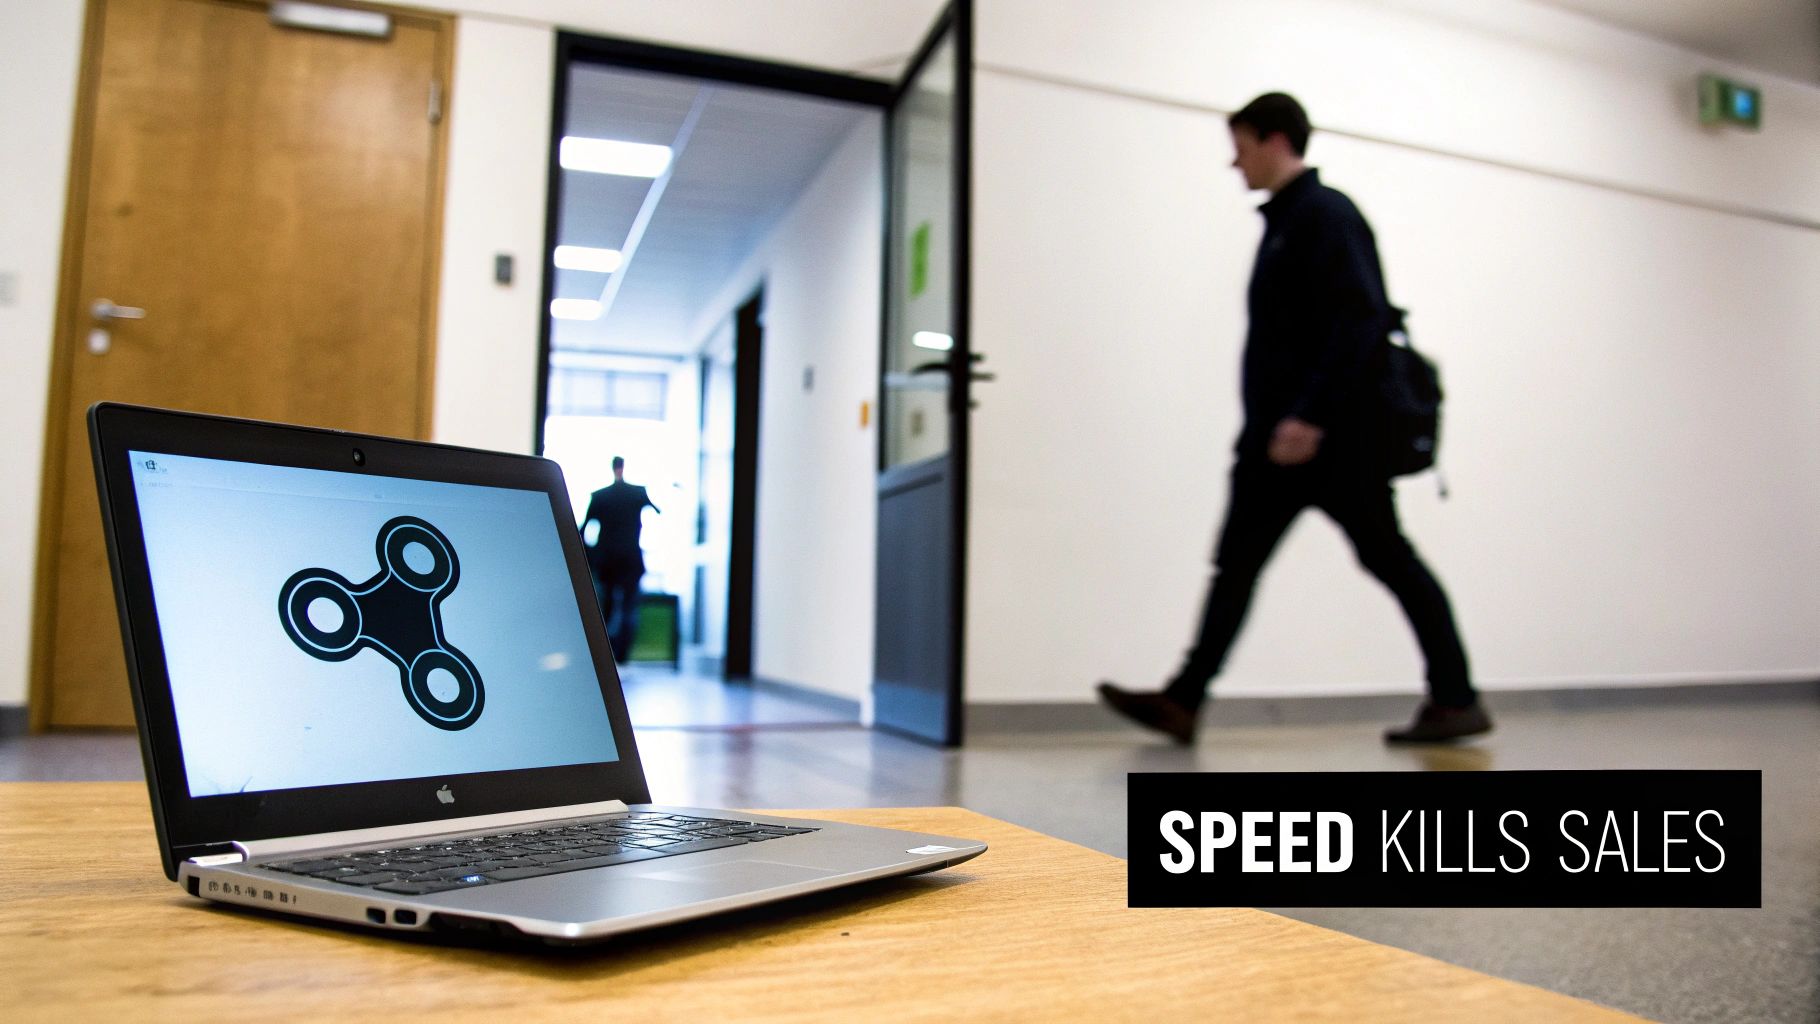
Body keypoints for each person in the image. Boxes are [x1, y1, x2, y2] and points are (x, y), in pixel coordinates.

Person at [1096, 92, 1491, 746]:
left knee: (1386, 560)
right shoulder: (1287, 222)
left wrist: (1308, 417)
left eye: (1241, 146)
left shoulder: (1324, 216)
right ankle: (1184, 699)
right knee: (1244, 565)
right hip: (1281, 440)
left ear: (1275, 141)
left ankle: (1455, 699)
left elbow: (1360, 322)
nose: (1234, 163)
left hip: (1323, 441)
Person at [582, 456, 660, 662]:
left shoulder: (600, 496)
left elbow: (583, 530)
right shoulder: (637, 493)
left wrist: (590, 555)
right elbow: (657, 512)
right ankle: (622, 657)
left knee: (604, 610)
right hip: (630, 558)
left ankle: (602, 658)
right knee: (627, 609)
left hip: (607, 559)